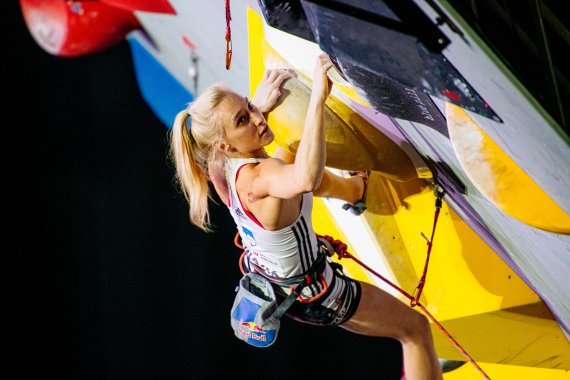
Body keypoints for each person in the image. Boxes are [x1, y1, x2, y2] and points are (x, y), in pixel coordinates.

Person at [169, 53, 443, 380]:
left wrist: (259, 106)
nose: (258, 119)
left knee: (294, 149)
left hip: (285, 288)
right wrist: (317, 97)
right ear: (226, 147)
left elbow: (275, 159)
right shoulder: (259, 177)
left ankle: (354, 191)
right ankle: (355, 191)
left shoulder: (220, 169)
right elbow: (306, 179)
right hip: (321, 293)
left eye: (249, 107)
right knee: (414, 330)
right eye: (243, 120)